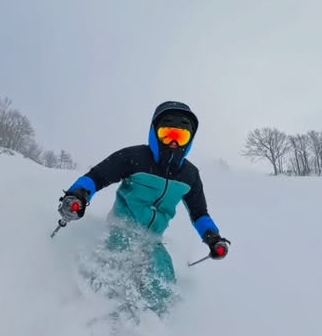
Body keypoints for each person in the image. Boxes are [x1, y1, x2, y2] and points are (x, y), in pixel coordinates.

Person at [58, 101, 230, 317]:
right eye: (168, 134)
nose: (174, 143)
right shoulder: (135, 157)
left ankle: (150, 332)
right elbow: (97, 177)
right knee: (109, 277)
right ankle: (85, 315)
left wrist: (213, 238)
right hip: (120, 230)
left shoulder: (190, 175)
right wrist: (77, 195)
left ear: (190, 140)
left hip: (152, 240)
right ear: (154, 133)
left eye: (181, 137)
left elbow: (199, 214)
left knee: (162, 282)